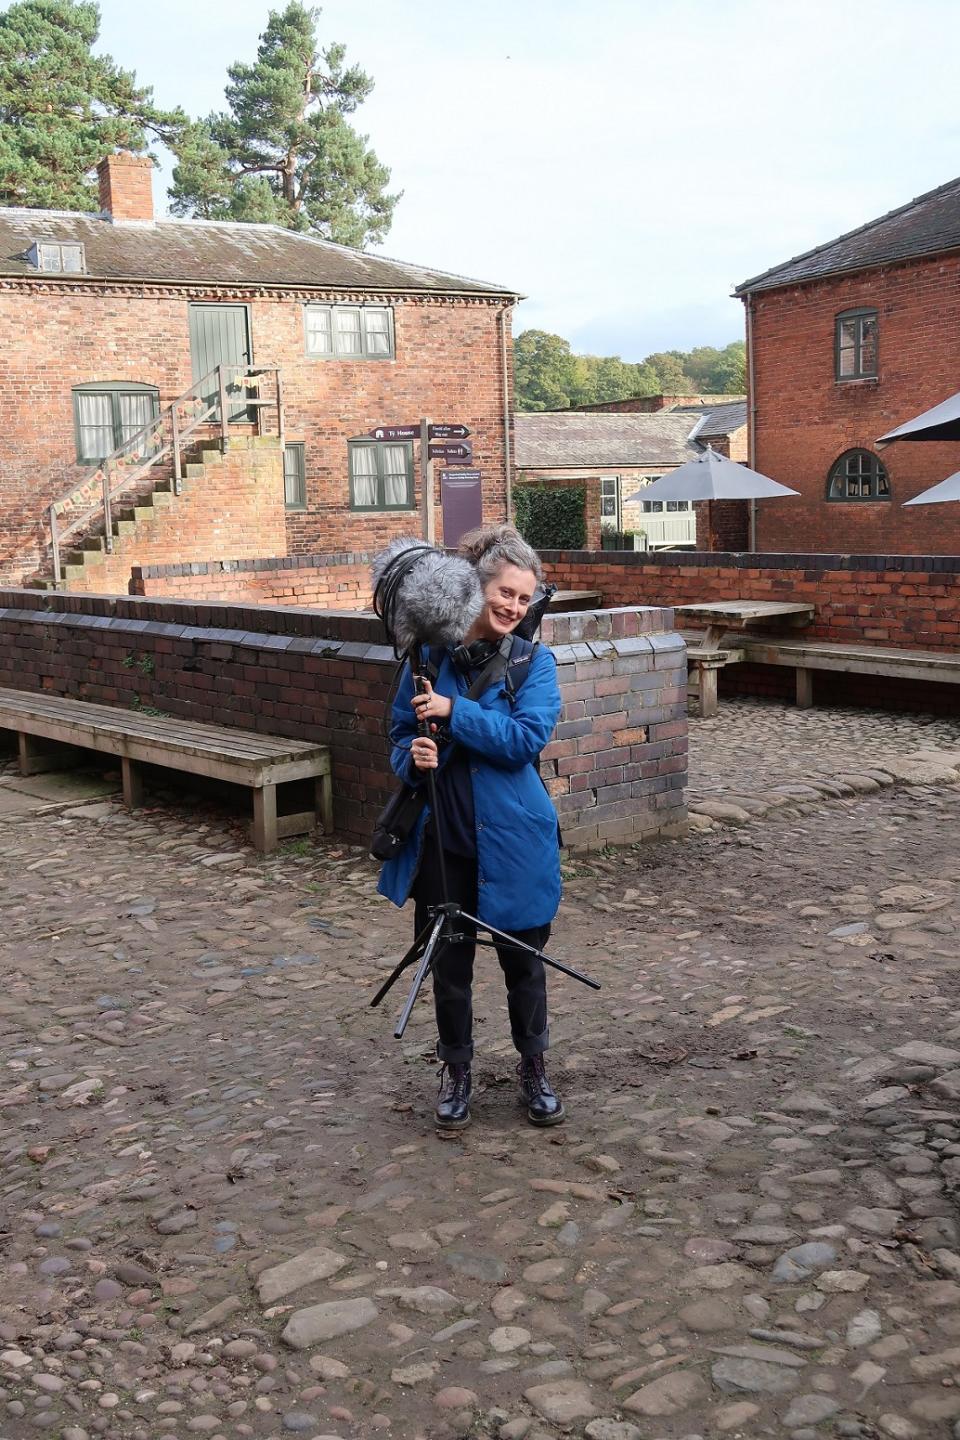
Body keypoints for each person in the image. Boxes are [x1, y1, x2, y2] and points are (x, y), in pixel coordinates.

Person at [377, 524, 564, 1131]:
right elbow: (401, 735)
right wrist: (415, 757)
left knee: (523, 963)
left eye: (523, 597)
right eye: (503, 593)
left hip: (514, 840)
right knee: (450, 966)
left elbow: (525, 740)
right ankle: (456, 1069)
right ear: (475, 588)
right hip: (443, 838)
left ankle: (533, 1067)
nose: (513, 607)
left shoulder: (534, 665)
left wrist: (458, 713)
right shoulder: (427, 656)